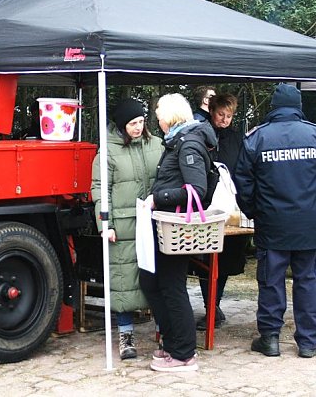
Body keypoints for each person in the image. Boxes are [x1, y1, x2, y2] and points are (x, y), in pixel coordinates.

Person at [234, 83, 316, 359]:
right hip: (309, 223)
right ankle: (308, 341)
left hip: (271, 224)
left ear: (273, 107)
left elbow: (243, 184)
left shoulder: (257, 138)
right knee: (309, 281)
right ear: (299, 106)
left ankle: (270, 338)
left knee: (271, 281)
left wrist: (255, 212)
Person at [141, 93, 217, 372]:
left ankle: (184, 353)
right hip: (165, 224)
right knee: (151, 282)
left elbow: (197, 189)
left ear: (169, 117)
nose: (157, 120)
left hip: (176, 227)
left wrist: (158, 197)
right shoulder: (178, 140)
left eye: (159, 115)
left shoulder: (188, 144)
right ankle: (173, 343)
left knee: (172, 287)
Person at [91, 98, 163, 360]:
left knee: (159, 278)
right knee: (124, 281)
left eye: (141, 122)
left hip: (154, 221)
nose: (138, 127)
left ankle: (164, 330)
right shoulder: (108, 151)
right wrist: (105, 224)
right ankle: (126, 335)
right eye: (132, 123)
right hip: (123, 225)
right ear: (122, 125)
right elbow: (100, 188)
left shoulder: (157, 144)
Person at [194, 92, 249, 330]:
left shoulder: (237, 139)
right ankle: (211, 306)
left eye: (229, 116)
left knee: (225, 258)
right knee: (204, 257)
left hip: (230, 205)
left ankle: (214, 305)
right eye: (220, 115)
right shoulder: (200, 136)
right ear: (212, 112)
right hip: (205, 205)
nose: (224, 119)